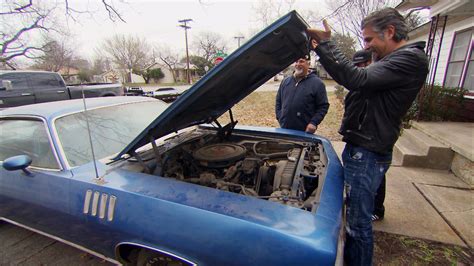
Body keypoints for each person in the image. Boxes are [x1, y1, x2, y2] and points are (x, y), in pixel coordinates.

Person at [307, 8, 429, 265]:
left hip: (368, 153)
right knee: (353, 218)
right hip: (363, 148)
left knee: (357, 224)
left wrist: (326, 45)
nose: (367, 46)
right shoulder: (391, 59)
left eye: (369, 39)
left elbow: (356, 79)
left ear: (390, 32)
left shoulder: (409, 59)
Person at [352, 49, 386, 222]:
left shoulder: (378, 81)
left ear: (370, 62)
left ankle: (377, 209)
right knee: (363, 178)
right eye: (356, 65)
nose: (360, 68)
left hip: (373, 138)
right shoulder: (361, 83)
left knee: (375, 177)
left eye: (363, 64)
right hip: (359, 136)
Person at [275, 53, 329, 133]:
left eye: (301, 61)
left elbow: (323, 106)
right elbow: (278, 101)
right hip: (285, 129)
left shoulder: (317, 83)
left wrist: (313, 123)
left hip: (304, 132)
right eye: (296, 62)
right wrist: (280, 117)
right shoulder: (285, 81)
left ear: (309, 64)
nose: (298, 64)